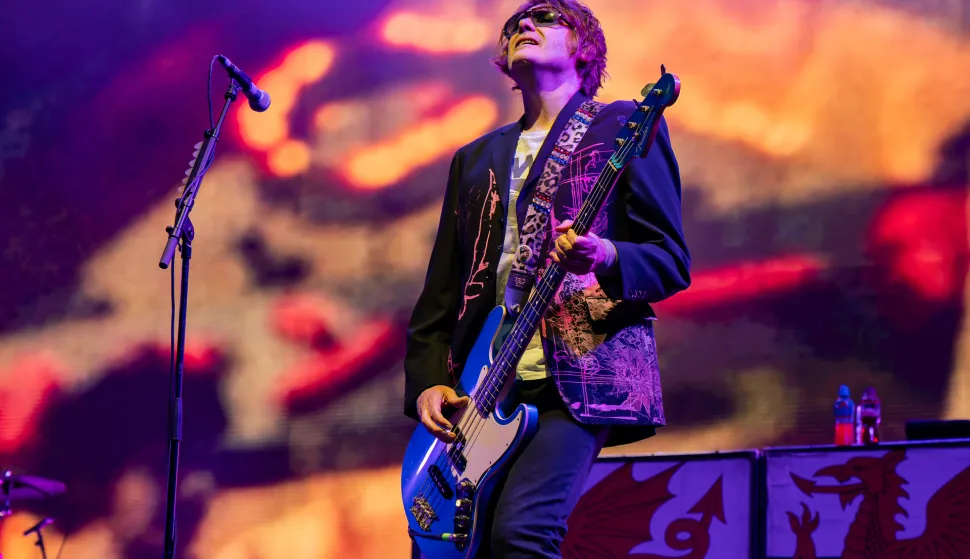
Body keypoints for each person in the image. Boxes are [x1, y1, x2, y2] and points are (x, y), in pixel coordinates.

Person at [403, 1, 691, 557]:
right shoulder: (475, 158)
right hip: (480, 386)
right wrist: (427, 382)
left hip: (579, 377)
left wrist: (604, 254)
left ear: (585, 48)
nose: (523, 27)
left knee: (524, 534)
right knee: (452, 545)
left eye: (545, 19)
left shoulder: (624, 127)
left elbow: (669, 259)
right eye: (514, 25)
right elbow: (442, 290)